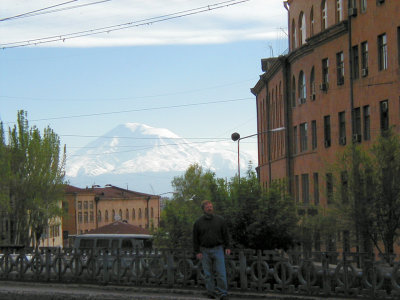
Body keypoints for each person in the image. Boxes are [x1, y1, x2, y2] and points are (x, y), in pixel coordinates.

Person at [193, 200, 231, 300]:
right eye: (207, 207)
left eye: (211, 206)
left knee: (221, 272)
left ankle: (223, 293)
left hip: (218, 249)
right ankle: (211, 292)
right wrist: (197, 251)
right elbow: (195, 238)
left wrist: (227, 247)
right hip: (204, 250)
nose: (210, 208)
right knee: (208, 274)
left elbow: (225, 234)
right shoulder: (198, 222)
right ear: (203, 209)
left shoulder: (220, 220)